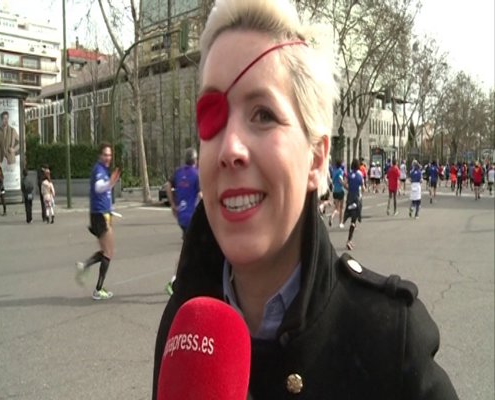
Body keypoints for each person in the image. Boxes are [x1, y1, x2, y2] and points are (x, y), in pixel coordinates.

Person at [152, 1, 458, 398]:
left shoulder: (391, 342)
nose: (229, 148)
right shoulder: (183, 329)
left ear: (316, 159)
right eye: (213, 116)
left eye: (262, 114)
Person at [75, 143, 121, 300]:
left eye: (110, 155)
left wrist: (111, 208)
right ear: (100, 155)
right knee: (108, 252)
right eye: (105, 155)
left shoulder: (102, 170)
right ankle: (98, 289)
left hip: (102, 214)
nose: (108, 158)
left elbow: (103, 193)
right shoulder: (99, 170)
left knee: (106, 251)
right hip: (99, 215)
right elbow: (98, 187)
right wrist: (110, 183)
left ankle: (85, 266)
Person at [164, 147, 202, 295]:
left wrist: (173, 204)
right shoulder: (197, 174)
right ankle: (175, 281)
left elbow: (168, 185)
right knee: (190, 250)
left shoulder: (179, 173)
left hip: (182, 216)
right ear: (196, 160)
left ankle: (190, 281)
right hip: (192, 217)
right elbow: (200, 194)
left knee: (193, 249)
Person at [343, 159, 365, 250]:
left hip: (349, 198)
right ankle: (349, 240)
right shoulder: (360, 175)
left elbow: (345, 184)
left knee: (349, 212)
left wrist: (349, 188)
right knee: (353, 221)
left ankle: (344, 219)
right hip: (356, 198)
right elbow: (363, 188)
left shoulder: (348, 175)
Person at [328, 160, 344, 228]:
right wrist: (344, 184)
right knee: (341, 208)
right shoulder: (340, 171)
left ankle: (332, 216)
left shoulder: (334, 171)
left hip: (335, 191)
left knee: (336, 208)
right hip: (340, 190)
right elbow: (340, 180)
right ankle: (340, 223)